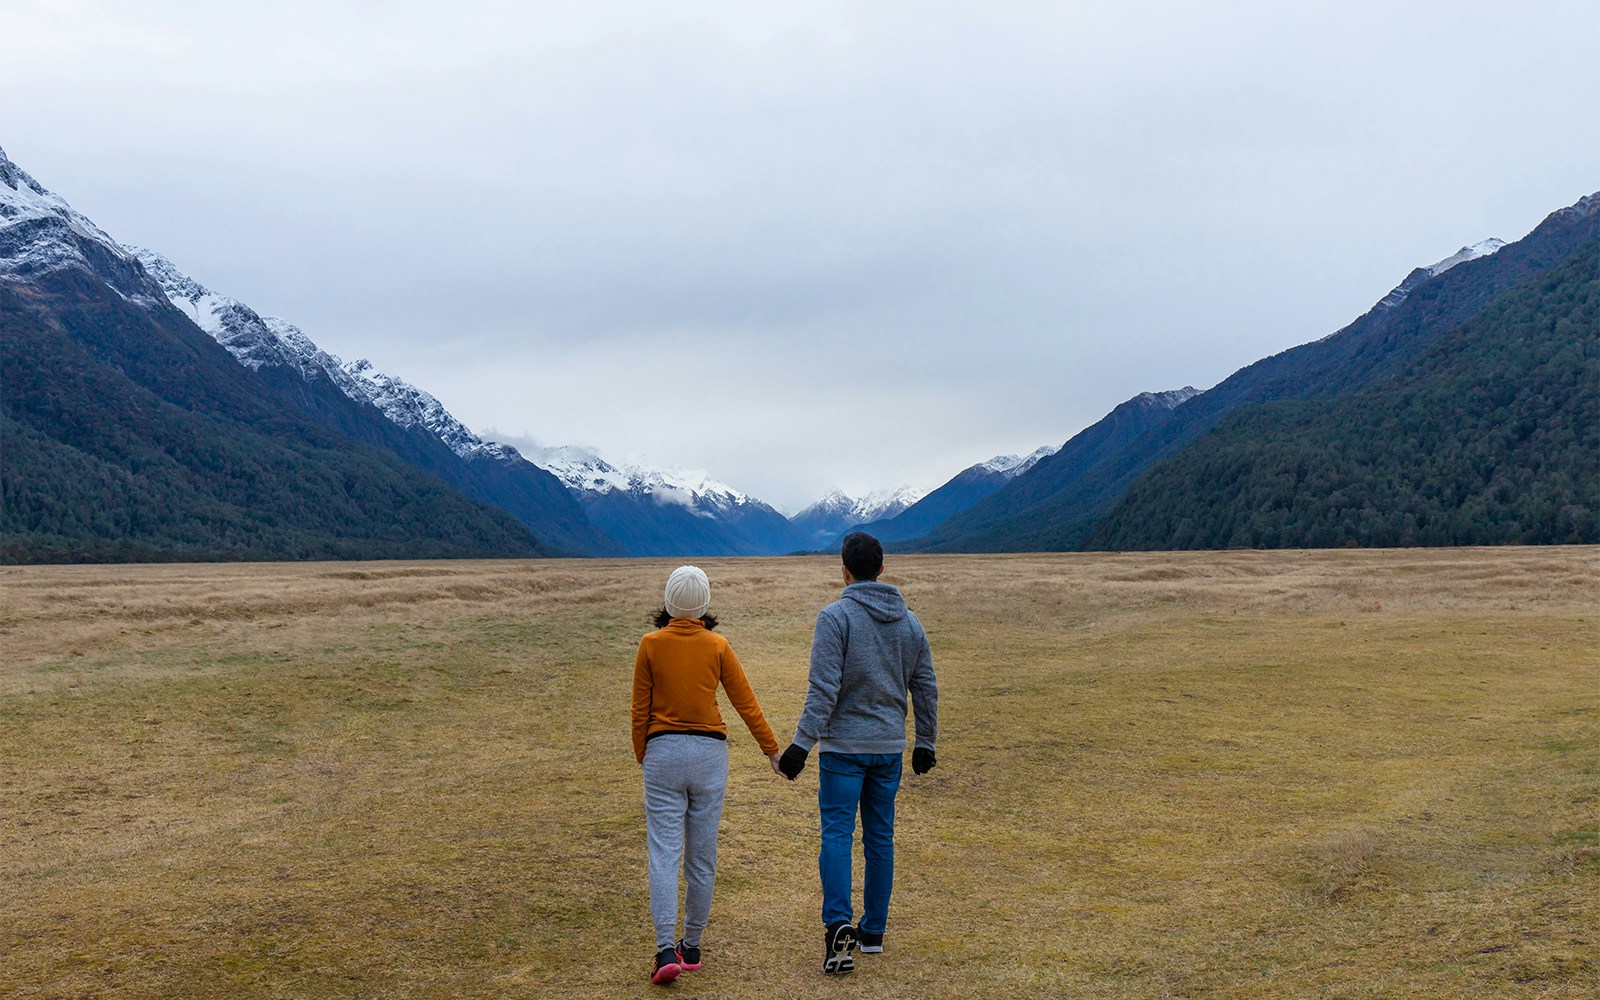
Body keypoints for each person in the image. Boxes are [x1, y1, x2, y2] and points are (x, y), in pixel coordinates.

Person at [777, 532, 939, 975]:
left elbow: (824, 688)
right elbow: (925, 686)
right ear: (882, 568)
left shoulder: (835, 617)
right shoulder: (910, 623)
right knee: (879, 838)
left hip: (842, 749)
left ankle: (837, 928)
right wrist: (925, 741)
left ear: (843, 569)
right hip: (888, 748)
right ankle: (873, 934)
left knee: (836, 834)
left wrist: (800, 745)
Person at [632, 565, 785, 985]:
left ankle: (665, 949)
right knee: (702, 855)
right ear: (704, 605)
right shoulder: (718, 645)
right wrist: (771, 751)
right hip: (709, 755)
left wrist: (644, 754)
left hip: (662, 751)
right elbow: (745, 701)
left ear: (668, 602)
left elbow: (639, 709)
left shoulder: (650, 644)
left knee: (664, 853)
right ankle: (692, 945)